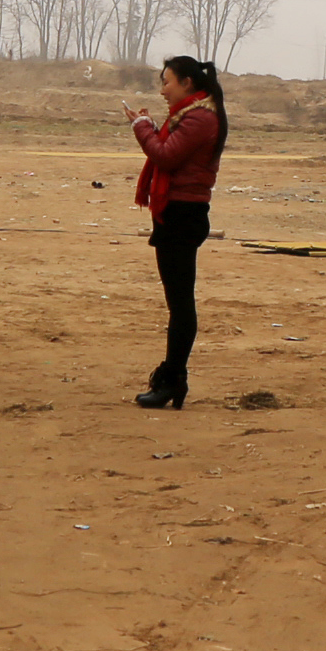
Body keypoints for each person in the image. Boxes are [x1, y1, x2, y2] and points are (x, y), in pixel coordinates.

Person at [126, 56, 226, 411]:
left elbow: (166, 157)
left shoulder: (200, 118)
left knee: (181, 305)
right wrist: (149, 126)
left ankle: (173, 379)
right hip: (177, 212)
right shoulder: (192, 115)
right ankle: (172, 377)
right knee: (178, 301)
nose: (162, 89)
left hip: (184, 214)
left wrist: (141, 128)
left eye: (166, 82)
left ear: (186, 83)